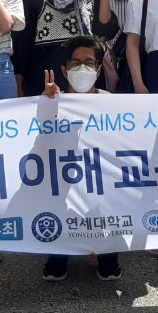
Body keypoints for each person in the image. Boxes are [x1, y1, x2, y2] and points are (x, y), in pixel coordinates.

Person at [39, 37, 122, 281]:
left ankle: (107, 254)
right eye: (76, 63)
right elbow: (39, 145)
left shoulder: (114, 104)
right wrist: (47, 108)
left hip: (101, 185)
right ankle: (58, 256)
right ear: (64, 70)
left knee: (109, 268)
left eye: (89, 62)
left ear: (98, 69)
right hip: (63, 183)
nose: (83, 68)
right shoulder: (52, 101)